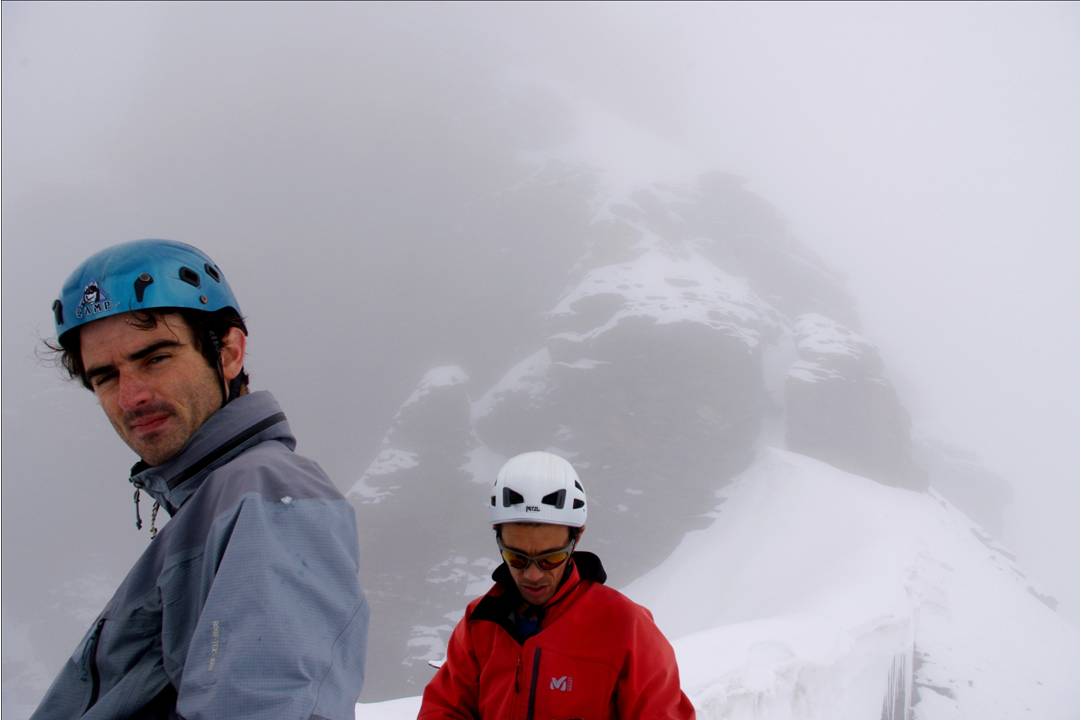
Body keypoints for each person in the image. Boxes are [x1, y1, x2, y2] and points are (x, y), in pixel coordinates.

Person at [32, 239, 368, 719]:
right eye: (105, 376)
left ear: (229, 351)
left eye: (156, 358)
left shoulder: (266, 495)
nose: (131, 397)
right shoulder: (214, 502)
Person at [418, 451, 696, 719]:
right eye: (516, 557)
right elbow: (445, 709)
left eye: (550, 558)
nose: (533, 575)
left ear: (577, 538)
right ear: (498, 538)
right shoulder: (481, 623)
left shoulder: (626, 627)